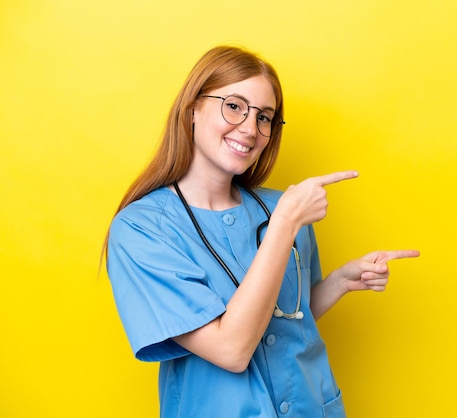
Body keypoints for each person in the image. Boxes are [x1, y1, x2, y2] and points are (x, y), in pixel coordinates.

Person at [105, 45, 419, 418]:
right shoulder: (142, 229)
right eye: (234, 106)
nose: (251, 129)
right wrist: (285, 224)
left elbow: (287, 317)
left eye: (265, 117)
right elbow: (232, 350)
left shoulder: (280, 206)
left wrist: (340, 281)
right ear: (192, 109)